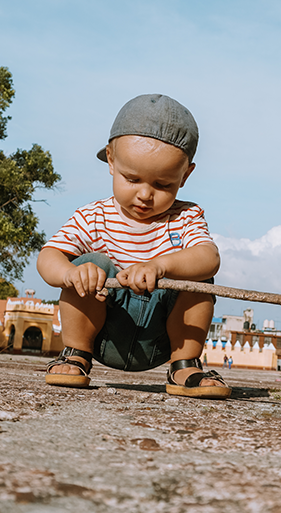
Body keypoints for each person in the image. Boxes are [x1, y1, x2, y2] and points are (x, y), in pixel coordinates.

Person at [36, 94, 230, 399]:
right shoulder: (94, 217)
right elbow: (48, 257)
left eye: (163, 184)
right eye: (132, 178)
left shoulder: (186, 217)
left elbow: (209, 257)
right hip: (104, 335)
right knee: (90, 264)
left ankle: (184, 365)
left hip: (161, 338)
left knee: (199, 276)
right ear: (112, 161)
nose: (145, 194)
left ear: (185, 175)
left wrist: (160, 265)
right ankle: (75, 354)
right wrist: (70, 275)